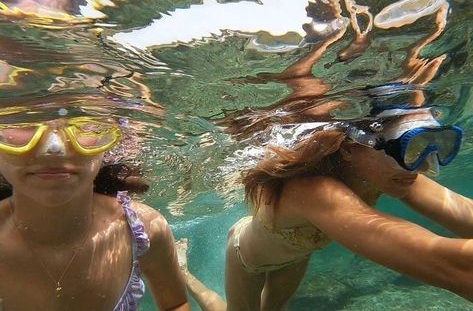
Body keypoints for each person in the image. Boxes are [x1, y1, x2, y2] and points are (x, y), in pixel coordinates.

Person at [181, 107, 473, 310]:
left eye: (433, 147)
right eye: (409, 148)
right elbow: (449, 265)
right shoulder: (316, 191)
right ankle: (183, 273)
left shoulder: (395, 173)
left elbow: (462, 213)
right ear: (350, 147)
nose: (423, 166)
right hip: (247, 256)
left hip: (297, 252)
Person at [0, 113, 190, 310]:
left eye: (80, 118)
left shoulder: (145, 229)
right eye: (25, 119)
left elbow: (176, 304)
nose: (54, 147)